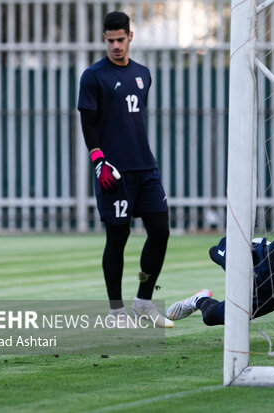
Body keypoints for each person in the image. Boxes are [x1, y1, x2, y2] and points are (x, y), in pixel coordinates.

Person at [77, 11, 172, 328]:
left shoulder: (144, 74)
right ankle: (116, 311)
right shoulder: (93, 76)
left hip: (146, 168)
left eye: (121, 39)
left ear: (130, 36)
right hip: (114, 172)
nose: (116, 45)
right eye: (110, 40)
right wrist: (98, 160)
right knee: (117, 238)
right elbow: (88, 125)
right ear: (104, 39)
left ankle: (144, 302)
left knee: (160, 231)